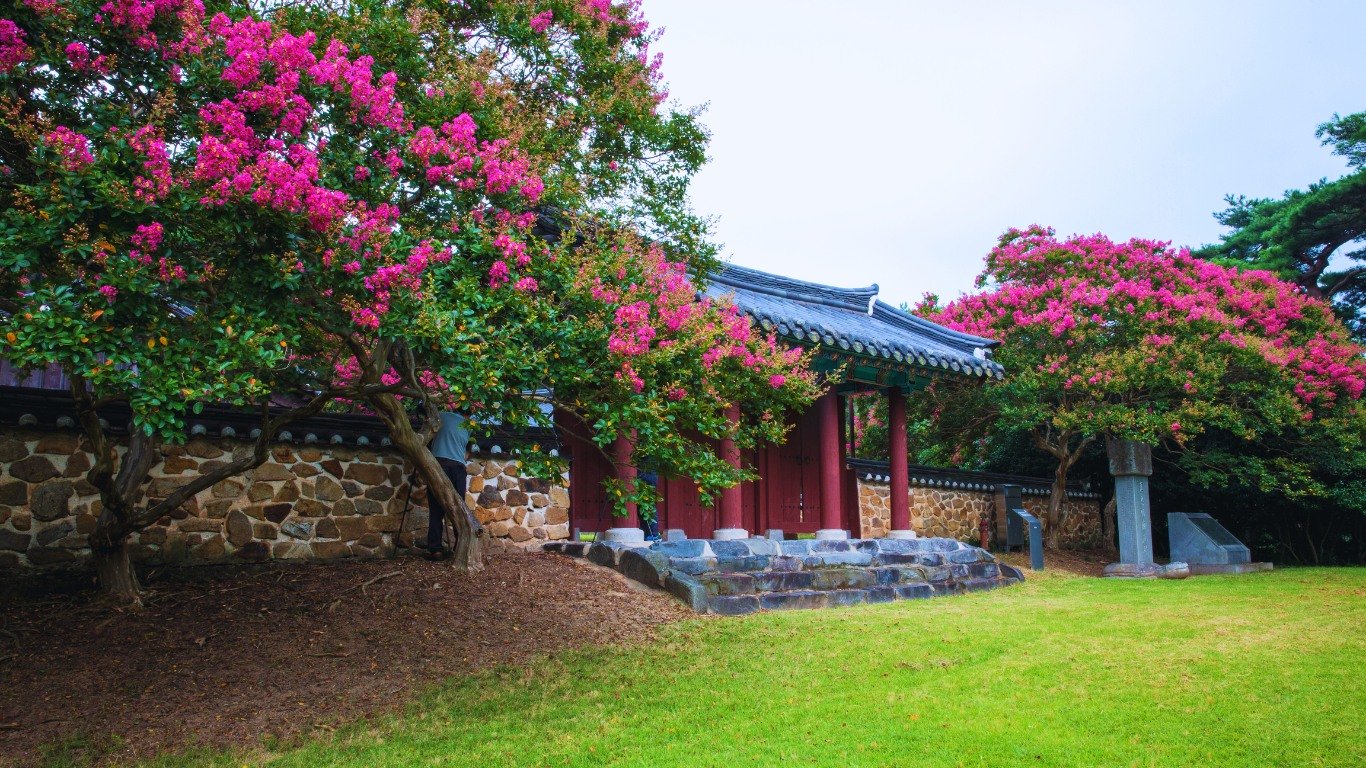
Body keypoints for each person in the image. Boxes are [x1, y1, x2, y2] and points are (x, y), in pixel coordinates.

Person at [425, 410, 470, 559]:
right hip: (458, 467)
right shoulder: (468, 425)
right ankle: (459, 545)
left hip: (439, 464)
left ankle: (436, 549)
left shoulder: (441, 416)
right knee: (458, 508)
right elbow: (467, 454)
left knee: (436, 508)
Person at [636, 468, 661, 541]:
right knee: (645, 505)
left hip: (646, 473)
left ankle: (653, 535)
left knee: (647, 505)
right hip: (649, 473)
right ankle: (651, 534)